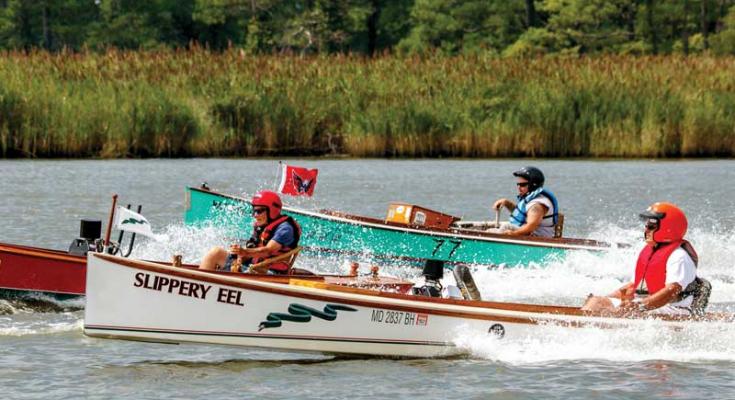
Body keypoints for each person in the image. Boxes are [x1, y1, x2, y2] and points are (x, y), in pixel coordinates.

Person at [582, 202, 711, 316]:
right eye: (646, 226)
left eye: (651, 226)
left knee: (621, 311)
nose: (646, 230)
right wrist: (604, 299)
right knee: (596, 302)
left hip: (674, 309)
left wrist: (639, 307)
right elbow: (633, 287)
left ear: (668, 228)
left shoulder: (679, 256)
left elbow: (671, 291)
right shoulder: (649, 252)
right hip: (648, 306)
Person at [199, 190, 301, 274]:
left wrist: (244, 251)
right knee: (215, 253)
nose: (255, 215)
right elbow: (252, 248)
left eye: (259, 211)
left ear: (272, 210)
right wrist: (239, 257)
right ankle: (202, 285)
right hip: (252, 268)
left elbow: (268, 250)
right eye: (254, 211)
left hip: (268, 274)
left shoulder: (285, 229)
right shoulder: (261, 226)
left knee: (216, 253)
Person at [491, 166, 559, 237]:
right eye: (518, 184)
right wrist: (506, 203)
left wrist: (513, 234)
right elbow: (522, 214)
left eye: (522, 185)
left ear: (533, 185)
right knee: (492, 231)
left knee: (507, 227)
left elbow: (530, 227)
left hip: (536, 239)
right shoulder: (534, 199)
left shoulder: (536, 206)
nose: (519, 187)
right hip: (530, 235)